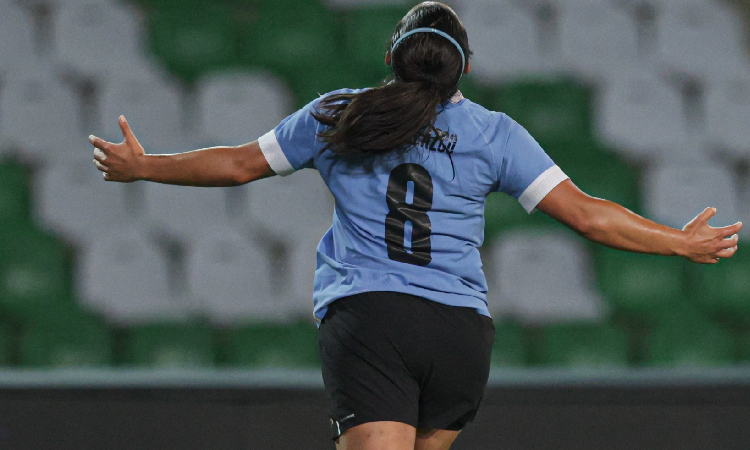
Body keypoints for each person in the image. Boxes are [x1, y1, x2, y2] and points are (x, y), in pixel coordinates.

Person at [88, 2, 742, 449]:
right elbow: (588, 215)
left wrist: (146, 169)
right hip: (460, 334)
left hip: (373, 320)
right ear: (464, 65)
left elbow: (235, 167)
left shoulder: (340, 114)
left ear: (394, 53)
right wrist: (678, 241)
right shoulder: (493, 133)